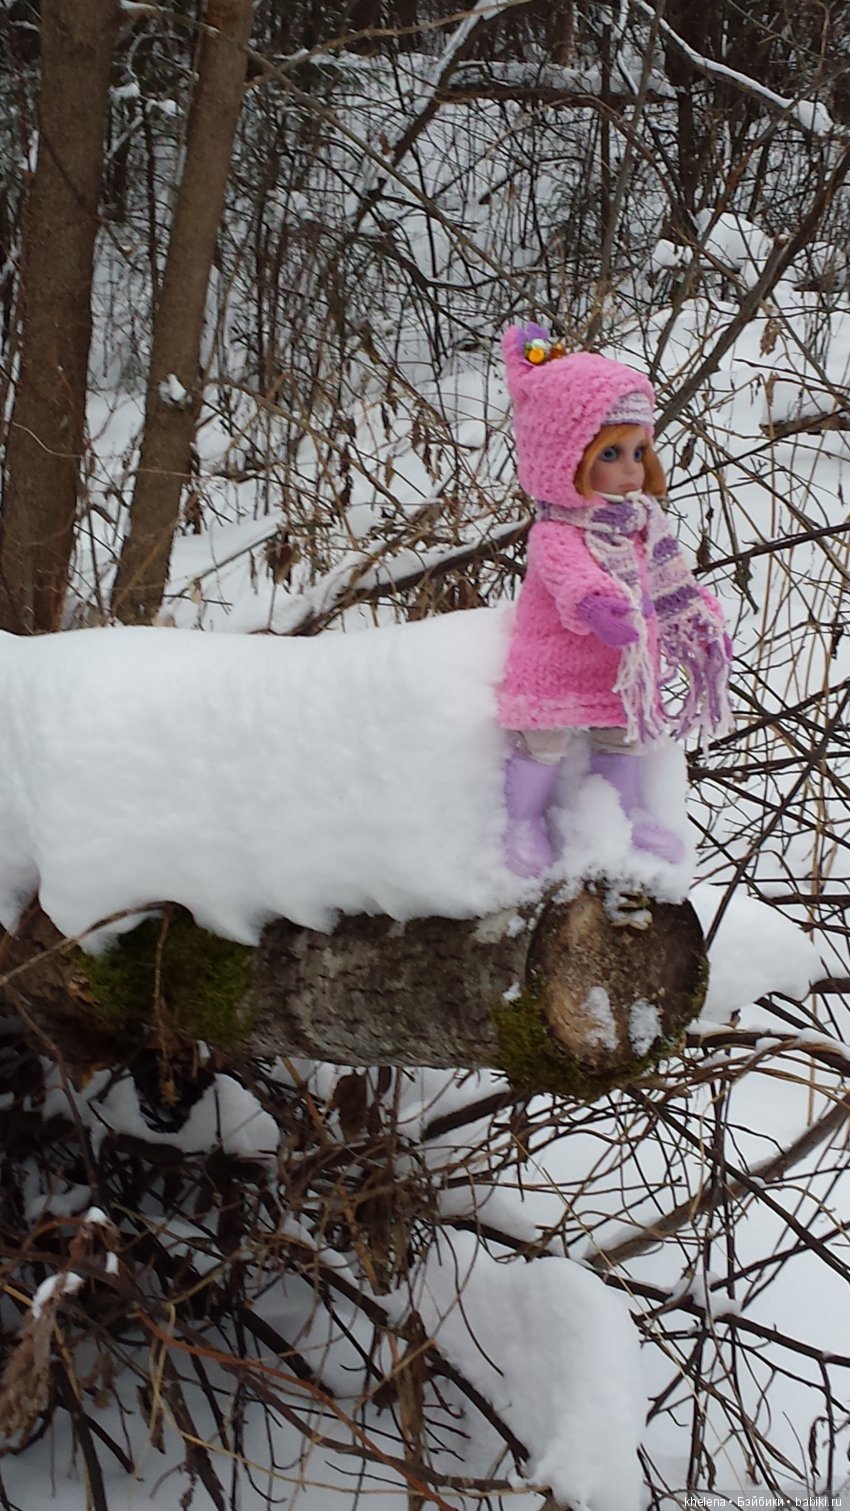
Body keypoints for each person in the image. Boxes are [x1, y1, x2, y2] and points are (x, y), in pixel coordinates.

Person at [498, 322, 732, 878]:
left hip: (623, 667)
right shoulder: (557, 530)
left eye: (639, 451)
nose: (631, 469)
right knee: (544, 741)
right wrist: (595, 604)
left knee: (623, 738)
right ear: (564, 457)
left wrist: (701, 618)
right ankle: (521, 822)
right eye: (611, 453)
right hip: (557, 661)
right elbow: (569, 576)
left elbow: (669, 582)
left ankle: (622, 818)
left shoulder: (642, 523)